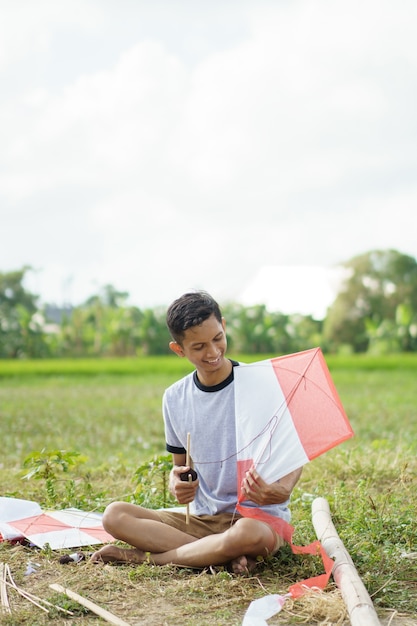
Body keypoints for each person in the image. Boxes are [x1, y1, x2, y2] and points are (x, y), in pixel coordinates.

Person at [91, 291, 302, 573]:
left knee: (245, 535)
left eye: (218, 339)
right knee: (115, 515)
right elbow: (181, 467)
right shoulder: (175, 397)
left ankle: (144, 559)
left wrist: (281, 489)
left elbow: (295, 451)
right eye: (199, 346)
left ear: (224, 326)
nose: (213, 352)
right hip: (202, 520)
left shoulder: (261, 384)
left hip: (256, 520)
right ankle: (220, 554)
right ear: (179, 349)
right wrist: (176, 481)